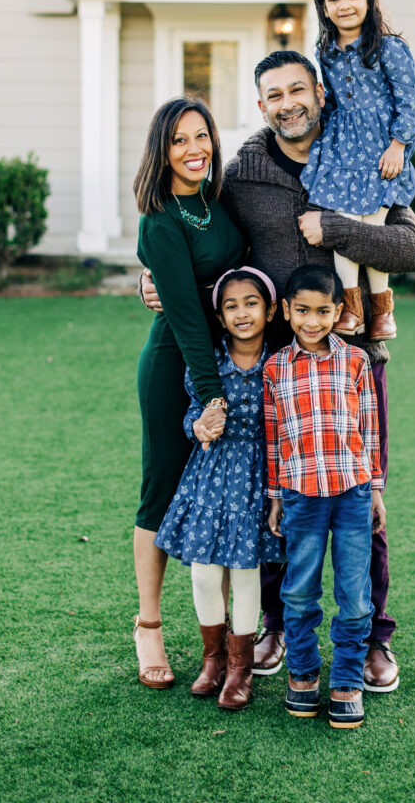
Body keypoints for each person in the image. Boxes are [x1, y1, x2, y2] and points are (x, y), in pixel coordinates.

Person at [141, 49, 415, 694]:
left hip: (353, 359)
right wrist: (158, 278)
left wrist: (334, 228)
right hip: (276, 368)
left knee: (362, 497)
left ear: (320, 93)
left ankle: (374, 637)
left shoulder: (364, 152)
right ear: (261, 104)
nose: (287, 103)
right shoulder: (242, 173)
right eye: (273, 95)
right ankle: (270, 624)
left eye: (298, 89)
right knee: (269, 498)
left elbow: (413, 248)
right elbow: (207, 241)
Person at [132, 97, 244, 690]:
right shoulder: (160, 219)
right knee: (161, 491)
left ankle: (227, 638)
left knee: (223, 496)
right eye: (179, 140)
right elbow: (185, 318)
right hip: (178, 360)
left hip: (229, 360)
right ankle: (149, 626)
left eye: (202, 136)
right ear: (161, 150)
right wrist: (211, 397)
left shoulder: (216, 200)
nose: (194, 149)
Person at [155, 267, 283, 710]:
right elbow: (193, 413)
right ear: (220, 316)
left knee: (247, 572)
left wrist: (281, 491)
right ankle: (212, 660)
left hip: (259, 479)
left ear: (269, 310)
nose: (242, 313)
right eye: (231, 306)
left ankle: (240, 668)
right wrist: (199, 426)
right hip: (211, 476)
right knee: (205, 571)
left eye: (251, 303)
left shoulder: (282, 364)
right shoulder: (207, 363)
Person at [265, 264, 385, 729]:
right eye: (302, 311)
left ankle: (348, 680)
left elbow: (369, 429)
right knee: (299, 591)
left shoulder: (356, 362)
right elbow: (274, 439)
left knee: (354, 595)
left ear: (338, 311)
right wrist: (276, 496)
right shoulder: (275, 368)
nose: (312, 321)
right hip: (301, 496)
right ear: (287, 312)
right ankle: (302, 676)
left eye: (322, 311)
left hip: (353, 493)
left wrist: (376, 489)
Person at [301, 0, 415, 341]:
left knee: (369, 226)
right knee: (342, 224)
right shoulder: (326, 52)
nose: (344, 5)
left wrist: (399, 145)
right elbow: (335, 102)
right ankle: (351, 308)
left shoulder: (388, 48)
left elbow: (410, 100)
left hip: (380, 152)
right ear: (324, 7)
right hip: (343, 152)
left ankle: (383, 311)